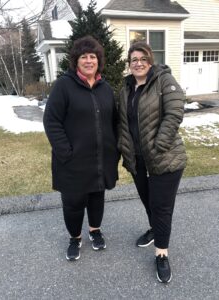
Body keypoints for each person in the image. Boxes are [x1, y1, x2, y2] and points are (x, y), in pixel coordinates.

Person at [43, 36, 119, 261]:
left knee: (97, 198)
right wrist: (66, 151)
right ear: (76, 61)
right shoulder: (64, 86)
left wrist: (114, 150)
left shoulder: (105, 88)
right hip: (73, 160)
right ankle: (75, 238)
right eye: (84, 57)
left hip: (99, 159)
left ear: (98, 61)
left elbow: (114, 121)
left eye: (93, 56)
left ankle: (95, 231)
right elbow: (52, 121)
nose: (88, 60)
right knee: (74, 203)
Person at [118, 41, 187, 283]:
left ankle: (161, 254)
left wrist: (159, 145)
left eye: (142, 58)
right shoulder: (126, 88)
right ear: (129, 64)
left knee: (161, 207)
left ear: (150, 61)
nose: (138, 63)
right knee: (148, 201)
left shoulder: (163, 81)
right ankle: (154, 229)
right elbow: (122, 122)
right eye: (133, 59)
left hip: (165, 157)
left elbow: (175, 111)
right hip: (138, 160)